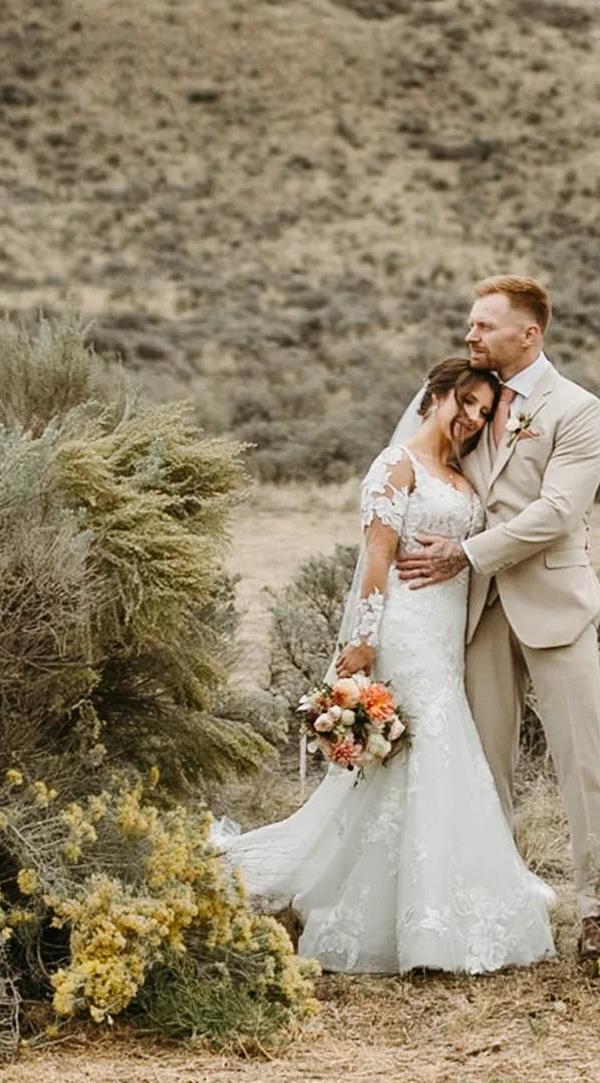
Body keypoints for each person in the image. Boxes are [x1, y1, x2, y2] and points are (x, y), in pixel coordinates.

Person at [219, 357, 555, 974]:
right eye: (468, 404)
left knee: (435, 748)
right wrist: (365, 641)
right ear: (437, 394)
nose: (474, 419)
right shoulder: (395, 465)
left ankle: (439, 893)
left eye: (485, 411)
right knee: (423, 745)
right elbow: (376, 557)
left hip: (447, 631)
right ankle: (413, 919)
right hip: (404, 628)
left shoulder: (461, 476)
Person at [392, 276, 600, 960]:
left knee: (581, 764)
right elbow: (420, 468)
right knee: (485, 766)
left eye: (484, 326)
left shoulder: (579, 411)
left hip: (555, 606)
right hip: (479, 614)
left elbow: (555, 513)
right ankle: (499, 903)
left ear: (530, 334)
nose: (470, 335)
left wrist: (465, 553)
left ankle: (597, 910)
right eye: (469, 325)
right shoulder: (468, 398)